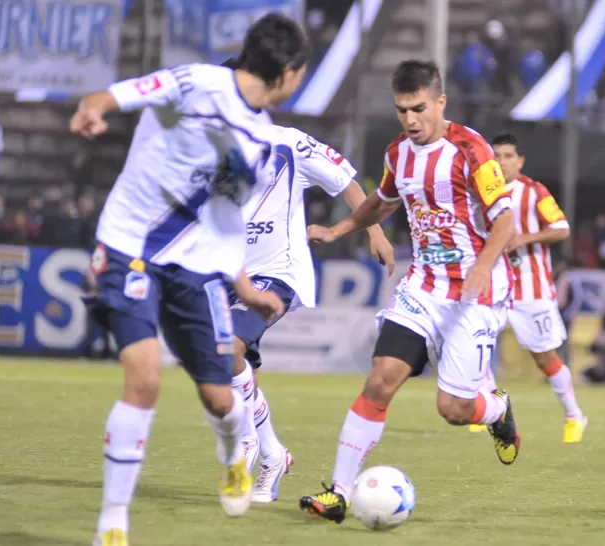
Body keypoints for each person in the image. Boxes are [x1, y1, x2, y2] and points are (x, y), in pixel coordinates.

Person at [69, 13, 308, 546]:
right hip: (127, 244)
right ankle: (113, 522)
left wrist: (242, 286)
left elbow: (223, 217)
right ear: (290, 73)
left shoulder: (260, 142)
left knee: (221, 397)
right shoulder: (198, 81)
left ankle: (232, 455)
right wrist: (94, 106)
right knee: (146, 379)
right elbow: (128, 91)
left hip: (195, 264)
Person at [299, 60, 519, 524]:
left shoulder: (471, 150)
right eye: (402, 110)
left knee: (455, 410)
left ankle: (497, 409)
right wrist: (339, 230)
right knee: (380, 379)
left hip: (475, 295)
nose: (410, 119)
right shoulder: (398, 153)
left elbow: (505, 220)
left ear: (440, 102)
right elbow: (381, 203)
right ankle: (339, 491)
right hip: (422, 287)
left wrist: (481, 266)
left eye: (419, 108)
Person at [228, 125, 395, 503]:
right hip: (231, 272)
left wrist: (374, 232)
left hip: (278, 270)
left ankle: (247, 441)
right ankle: (273, 455)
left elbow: (345, 181)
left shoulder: (289, 143)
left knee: (230, 346)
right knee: (224, 361)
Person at [466, 133, 586, 442]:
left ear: (520, 161)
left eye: (508, 156)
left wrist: (523, 239)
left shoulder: (534, 192)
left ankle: (574, 415)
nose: (502, 161)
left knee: (544, 357)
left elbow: (561, 229)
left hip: (532, 290)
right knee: (475, 345)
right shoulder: (480, 191)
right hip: (493, 288)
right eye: (497, 156)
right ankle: (489, 409)